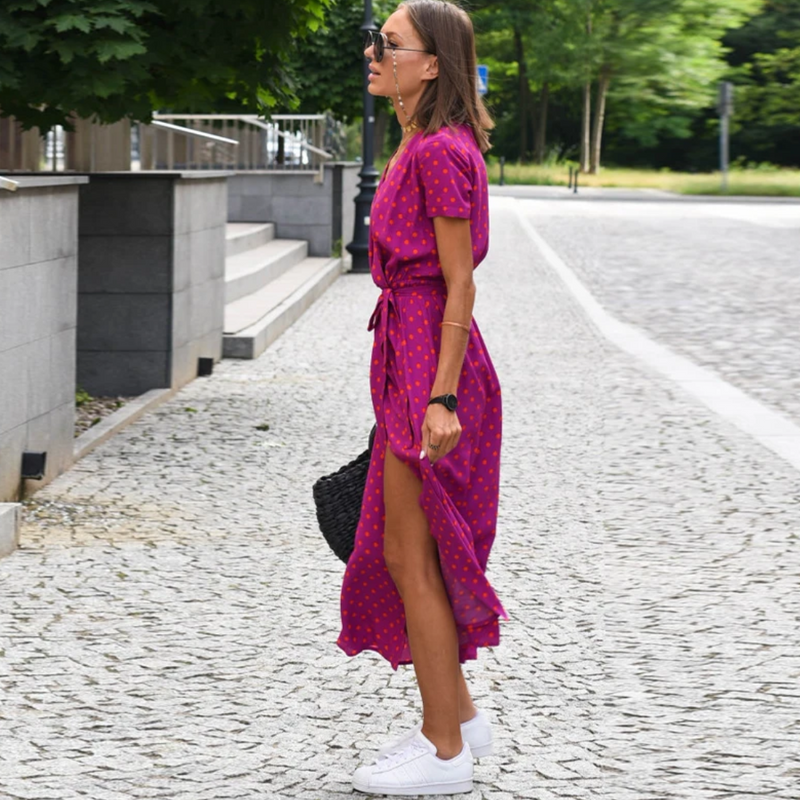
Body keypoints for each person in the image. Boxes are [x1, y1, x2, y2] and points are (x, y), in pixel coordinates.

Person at [336, 0, 508, 794]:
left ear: (431, 62)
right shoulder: (423, 141)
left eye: (391, 44)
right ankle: (464, 718)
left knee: (413, 555)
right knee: (407, 549)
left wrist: (440, 397)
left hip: (430, 356)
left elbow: (459, 282)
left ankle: (444, 751)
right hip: (411, 353)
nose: (374, 52)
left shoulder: (439, 150)